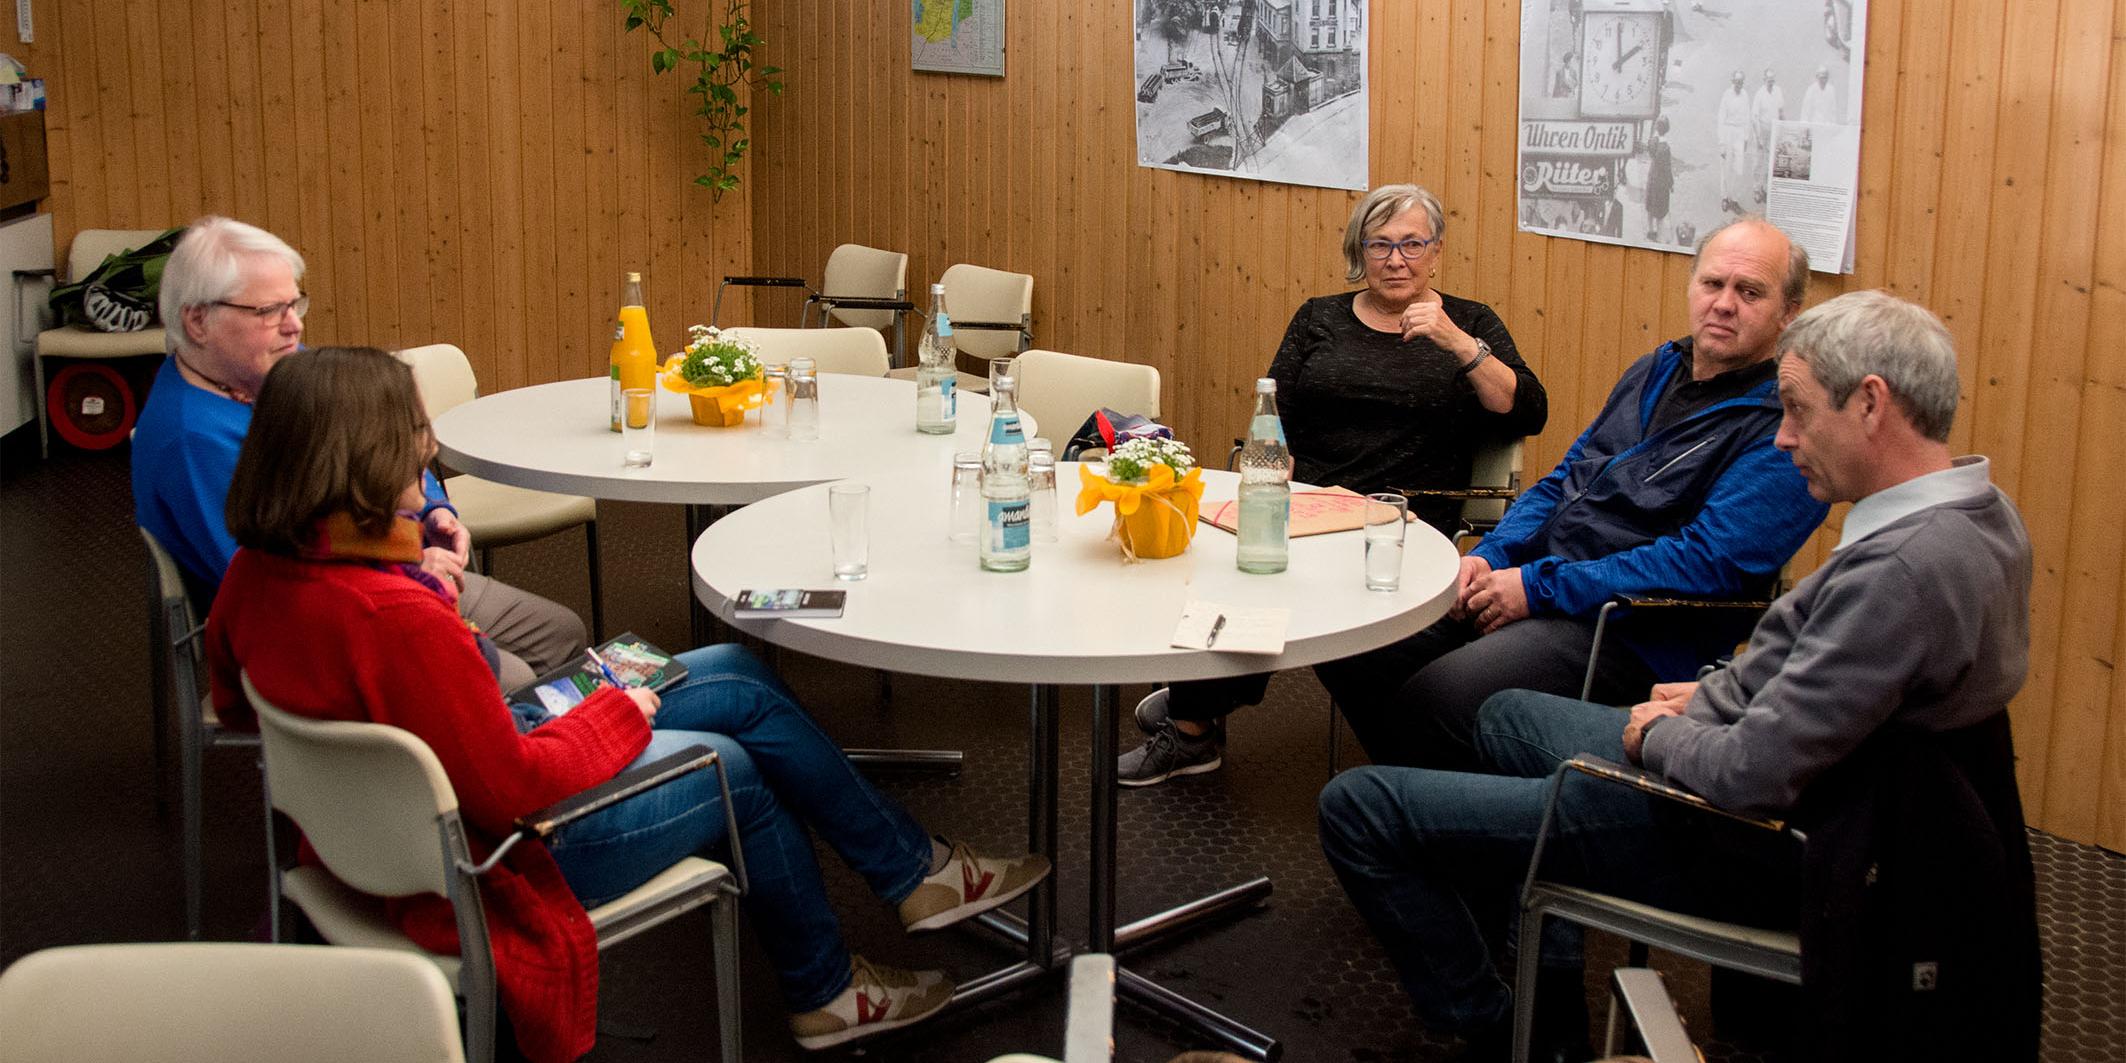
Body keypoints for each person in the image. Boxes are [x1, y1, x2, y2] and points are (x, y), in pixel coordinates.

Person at [205, 347, 1052, 1060]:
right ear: (362, 459)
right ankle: (827, 988)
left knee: (727, 666)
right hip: (496, 855)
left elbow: (238, 708)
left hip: (406, 821)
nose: (425, 451)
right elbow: (517, 790)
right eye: (411, 436)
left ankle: (916, 870)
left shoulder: (259, 574)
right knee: (735, 767)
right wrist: (620, 716)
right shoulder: (397, 619)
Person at [1318, 289, 2038, 1061]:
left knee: (1358, 803)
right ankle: (1549, 964)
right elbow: (1824, 679)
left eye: (1797, 411)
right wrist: (1715, 694)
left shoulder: (1899, 571)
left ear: (1870, 403)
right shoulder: (1979, 516)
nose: (1786, 438)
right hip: (1799, 778)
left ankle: (1496, 1024)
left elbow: (1749, 771)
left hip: (1739, 829)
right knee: (1505, 714)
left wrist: (1664, 734)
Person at [1313, 217, 1828, 772]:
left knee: (1437, 699)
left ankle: (1442, 807)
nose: (1724, 304)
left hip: (1628, 625)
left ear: (1789, 312)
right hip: (1542, 579)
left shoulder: (1786, 424)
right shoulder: (1657, 368)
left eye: (1749, 292)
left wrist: (1536, 589)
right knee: (1348, 635)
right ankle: (1428, 788)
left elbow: (1707, 561)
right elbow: (1563, 480)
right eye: (1713, 284)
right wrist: (1492, 555)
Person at [1118, 184, 1548, 786]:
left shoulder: (1469, 322)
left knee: (1287, 582)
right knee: (1231, 563)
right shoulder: (1319, 316)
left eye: (1412, 245)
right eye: (1380, 245)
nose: (1396, 260)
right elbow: (1276, 407)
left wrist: (1455, 342)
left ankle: (1198, 707)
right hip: (1307, 503)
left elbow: (1526, 411)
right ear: (1359, 251)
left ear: (1437, 252)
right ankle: (1197, 721)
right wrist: (1273, 466)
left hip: (1399, 519)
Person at [132, 215, 584, 691]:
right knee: (509, 676)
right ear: (198, 320)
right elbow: (277, 589)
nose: (294, 326)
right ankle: (495, 752)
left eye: (295, 304)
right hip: (319, 628)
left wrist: (435, 512)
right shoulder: (191, 440)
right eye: (269, 311)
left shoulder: (283, 372)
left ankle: (531, 741)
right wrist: (406, 569)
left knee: (560, 635)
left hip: (393, 566)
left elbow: (388, 448)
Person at [1716, 71, 1753, 214]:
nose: (1739, 85)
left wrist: (1746, 138)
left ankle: (1734, 199)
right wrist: (1722, 143)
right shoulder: (1726, 95)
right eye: (1736, 82)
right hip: (1728, 132)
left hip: (1739, 134)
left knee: (1739, 168)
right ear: (1732, 81)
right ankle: (1725, 197)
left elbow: (1747, 118)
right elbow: (1721, 119)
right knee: (1725, 167)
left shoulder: (1745, 96)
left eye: (1741, 82)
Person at [1643, 115, 1674, 242]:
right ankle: (1659, 232)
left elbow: (1650, 149)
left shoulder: (1653, 143)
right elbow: (1667, 168)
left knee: (1650, 204)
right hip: (1661, 180)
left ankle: (1651, 230)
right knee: (1660, 208)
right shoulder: (1666, 147)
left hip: (1652, 176)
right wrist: (1671, 183)